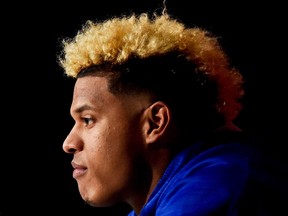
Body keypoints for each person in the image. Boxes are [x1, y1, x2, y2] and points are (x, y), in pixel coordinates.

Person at [57, 8, 288, 216]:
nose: (69, 143)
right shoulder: (170, 196)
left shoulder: (217, 188)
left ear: (155, 123)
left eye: (87, 120)